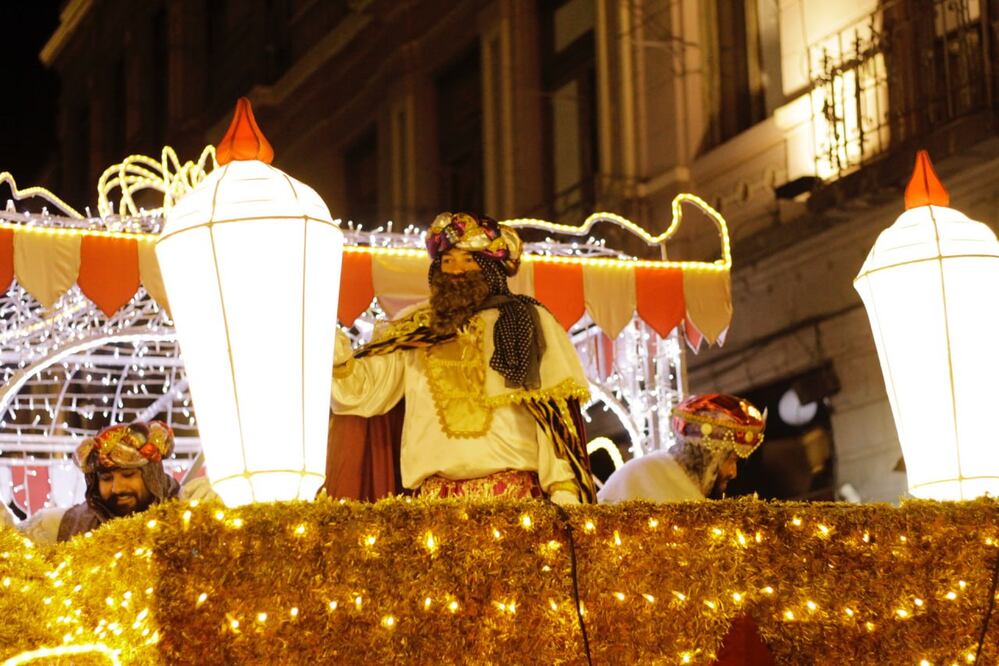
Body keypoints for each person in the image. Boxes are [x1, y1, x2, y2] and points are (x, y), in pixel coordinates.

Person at [330, 212, 596, 504]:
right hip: (432, 505)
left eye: (469, 260)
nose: (456, 270)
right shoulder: (415, 328)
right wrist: (329, 346)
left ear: (490, 268)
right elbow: (360, 392)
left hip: (514, 500)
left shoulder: (524, 321)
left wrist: (565, 489)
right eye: (448, 261)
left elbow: (554, 420)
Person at [18, 421, 187, 543]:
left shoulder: (188, 518)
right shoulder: (59, 527)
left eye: (128, 475)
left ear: (153, 476)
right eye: (106, 479)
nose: (117, 488)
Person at [598, 393, 765, 502]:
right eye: (730, 460)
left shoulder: (690, 491)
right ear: (708, 454)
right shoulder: (644, 476)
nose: (733, 472)